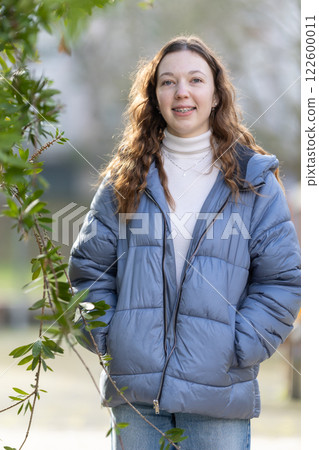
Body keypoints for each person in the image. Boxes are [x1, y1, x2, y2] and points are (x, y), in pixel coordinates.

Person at [69, 35, 301, 450]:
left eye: (195, 79)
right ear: (154, 96)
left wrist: (236, 347)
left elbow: (281, 282)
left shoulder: (255, 181)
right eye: (167, 82)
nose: (182, 92)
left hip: (218, 394)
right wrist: (110, 338)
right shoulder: (124, 179)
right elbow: (89, 270)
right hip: (137, 397)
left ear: (216, 94)